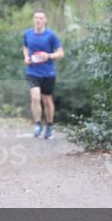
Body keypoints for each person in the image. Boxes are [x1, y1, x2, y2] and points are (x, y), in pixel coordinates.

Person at [22, 10, 63, 140]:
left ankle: (49, 126)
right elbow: (25, 47)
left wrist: (49, 55)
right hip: (32, 72)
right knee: (35, 97)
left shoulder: (51, 35)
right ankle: (38, 124)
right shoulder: (27, 34)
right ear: (33, 20)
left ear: (45, 20)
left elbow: (60, 53)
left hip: (48, 73)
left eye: (41, 18)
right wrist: (26, 57)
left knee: (47, 100)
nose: (38, 20)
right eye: (36, 17)